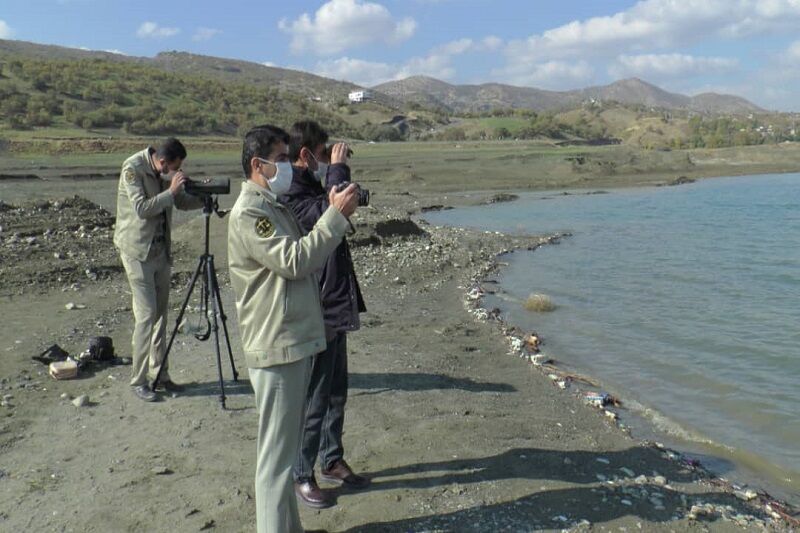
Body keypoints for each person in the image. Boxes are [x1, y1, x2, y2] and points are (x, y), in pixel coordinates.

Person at [227, 124, 359, 533]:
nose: (288, 165)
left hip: (290, 340)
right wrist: (335, 216)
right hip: (276, 343)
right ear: (257, 164)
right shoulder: (252, 212)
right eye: (281, 159)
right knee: (274, 464)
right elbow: (296, 260)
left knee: (282, 461)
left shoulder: (272, 204)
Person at [279, 121, 368, 509]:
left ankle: (331, 459)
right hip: (317, 306)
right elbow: (326, 213)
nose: (327, 157)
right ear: (306, 156)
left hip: (334, 301)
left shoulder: (311, 186)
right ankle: (302, 473)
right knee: (315, 396)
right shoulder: (290, 194)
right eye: (322, 151)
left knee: (335, 392)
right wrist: (338, 168)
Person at [113, 137, 204, 402]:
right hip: (137, 251)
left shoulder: (166, 172)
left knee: (162, 315)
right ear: (162, 162)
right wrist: (171, 191)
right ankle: (138, 380)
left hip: (161, 251)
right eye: (174, 167)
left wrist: (204, 195)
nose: (175, 171)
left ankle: (161, 374)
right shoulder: (132, 168)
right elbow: (141, 209)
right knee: (146, 315)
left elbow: (181, 202)